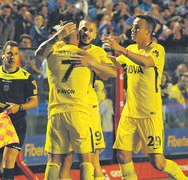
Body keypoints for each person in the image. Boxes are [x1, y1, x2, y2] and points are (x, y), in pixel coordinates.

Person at [102, 14, 188, 180]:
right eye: (132, 26)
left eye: (136, 27)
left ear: (148, 31)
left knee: (157, 162)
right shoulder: (132, 50)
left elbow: (146, 62)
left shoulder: (157, 49)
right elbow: (117, 62)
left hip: (149, 113)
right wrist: (97, 55)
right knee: (122, 155)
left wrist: (121, 49)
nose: (132, 30)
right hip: (130, 111)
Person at [35, 22, 97, 180]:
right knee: (86, 159)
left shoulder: (53, 53)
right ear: (77, 37)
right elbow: (108, 73)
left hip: (57, 112)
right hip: (78, 112)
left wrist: (57, 37)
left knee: (54, 160)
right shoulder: (86, 56)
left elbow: (38, 53)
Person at [58, 19, 117, 180]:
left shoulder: (97, 52)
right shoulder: (67, 46)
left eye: (91, 31)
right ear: (78, 30)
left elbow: (110, 73)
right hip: (66, 105)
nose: (86, 33)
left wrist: (90, 62)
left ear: (96, 35)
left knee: (92, 158)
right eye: (84, 29)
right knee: (66, 158)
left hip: (87, 107)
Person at [0, 41, 38, 180]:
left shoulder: (26, 77)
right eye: (9, 53)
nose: (12, 57)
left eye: (16, 54)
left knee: (8, 161)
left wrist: (19, 107)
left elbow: (34, 101)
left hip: (17, 124)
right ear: (3, 55)